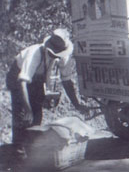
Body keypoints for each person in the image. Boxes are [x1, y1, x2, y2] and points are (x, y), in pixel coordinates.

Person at [6, 28, 89, 159]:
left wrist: (77, 104)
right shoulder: (35, 54)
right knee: (22, 116)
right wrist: (27, 109)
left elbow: (67, 81)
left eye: (58, 55)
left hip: (37, 79)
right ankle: (18, 152)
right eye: (53, 54)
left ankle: (32, 147)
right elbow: (23, 82)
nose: (56, 57)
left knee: (37, 113)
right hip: (18, 77)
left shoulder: (64, 56)